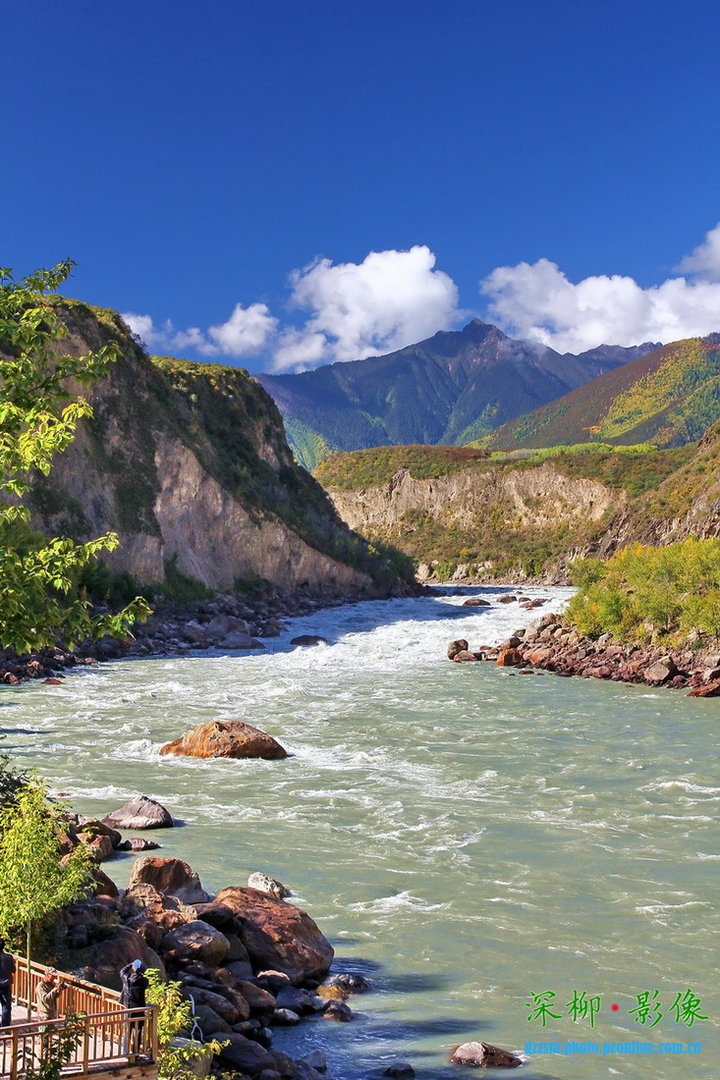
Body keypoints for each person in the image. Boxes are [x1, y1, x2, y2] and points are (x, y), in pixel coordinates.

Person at [119, 959, 148, 1057]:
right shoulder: (144, 981)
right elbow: (145, 985)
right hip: (139, 1009)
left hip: (128, 1008)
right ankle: (135, 1053)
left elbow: (122, 971)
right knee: (138, 1031)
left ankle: (125, 1052)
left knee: (127, 1030)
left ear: (134, 969)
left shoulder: (126, 978)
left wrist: (130, 964)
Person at [0, 938, 15, 1028]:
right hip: (6, 984)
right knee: (6, 1005)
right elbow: (14, 970)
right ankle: (5, 1027)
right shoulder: (9, 957)